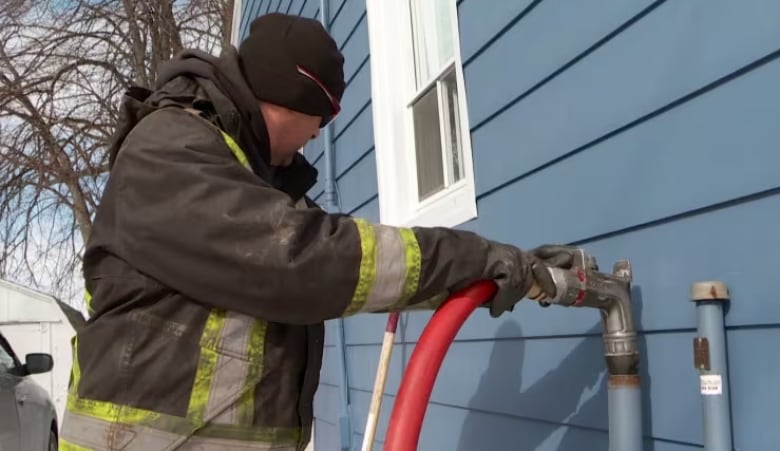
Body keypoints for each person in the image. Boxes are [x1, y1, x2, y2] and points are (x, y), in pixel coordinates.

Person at [59, 12, 575, 451]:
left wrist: (505, 270)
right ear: (287, 100)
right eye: (319, 121)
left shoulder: (243, 173)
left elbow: (347, 267)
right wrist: (473, 257)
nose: (314, 137)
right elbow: (307, 262)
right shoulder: (170, 150)